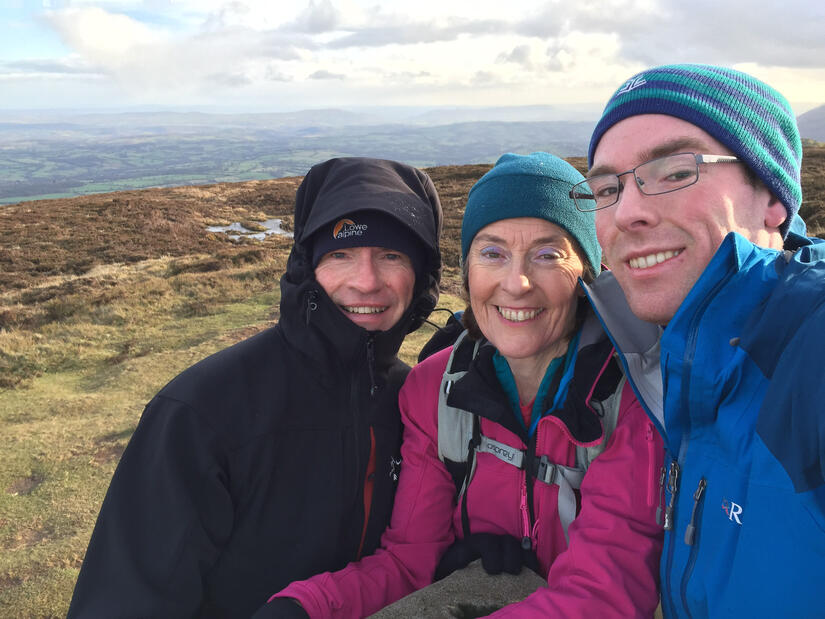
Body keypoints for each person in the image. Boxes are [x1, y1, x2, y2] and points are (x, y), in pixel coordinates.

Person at [257, 152, 664, 618]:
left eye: (548, 254)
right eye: (492, 253)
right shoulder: (435, 391)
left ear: (587, 274)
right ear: (467, 272)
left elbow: (602, 596)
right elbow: (411, 561)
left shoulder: (635, 394)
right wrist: (305, 606)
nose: (517, 283)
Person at [66, 157, 443, 618]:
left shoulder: (418, 401)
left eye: (391, 255)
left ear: (421, 273)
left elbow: (412, 551)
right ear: (308, 266)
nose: (365, 281)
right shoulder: (200, 410)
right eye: (339, 254)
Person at [574, 64, 825, 617]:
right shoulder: (676, 360)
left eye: (674, 170)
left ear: (773, 200)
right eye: (605, 188)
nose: (628, 211)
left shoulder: (810, 343)